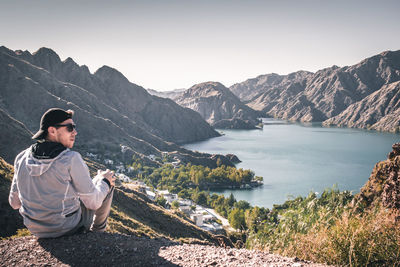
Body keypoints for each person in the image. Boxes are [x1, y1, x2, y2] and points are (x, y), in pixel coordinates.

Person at [9, 108, 116, 238]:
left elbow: (14, 203)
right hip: (67, 227)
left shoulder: (21, 158)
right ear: (52, 130)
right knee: (106, 180)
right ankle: (97, 234)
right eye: (69, 128)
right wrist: (104, 181)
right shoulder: (71, 159)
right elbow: (93, 203)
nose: (75, 132)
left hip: (35, 229)